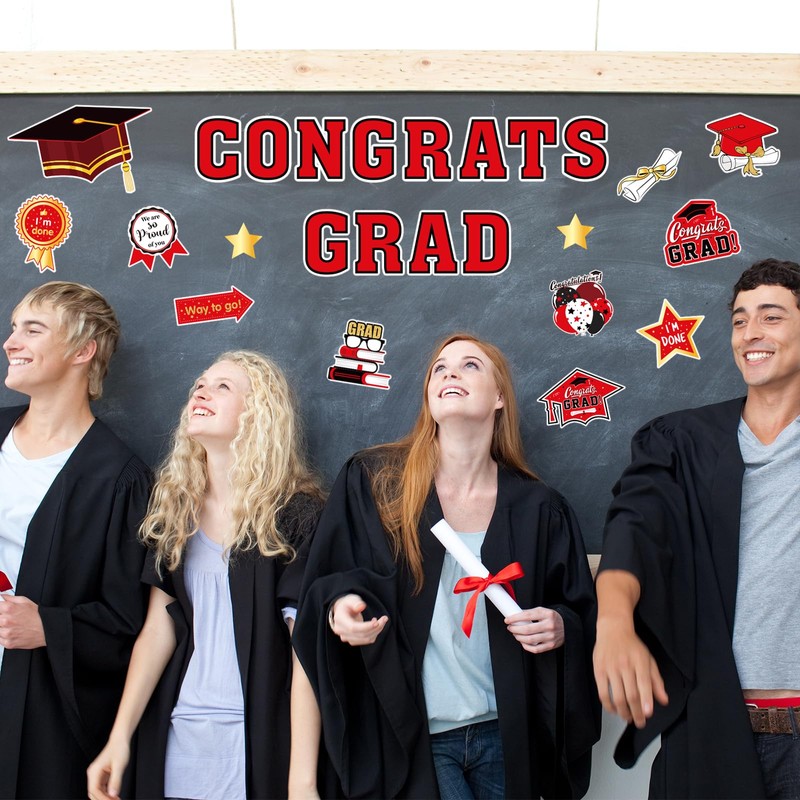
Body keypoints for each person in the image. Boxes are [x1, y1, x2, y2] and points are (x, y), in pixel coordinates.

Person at [292, 333, 599, 800]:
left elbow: (578, 612)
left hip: (506, 737)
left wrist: (560, 626)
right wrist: (340, 609)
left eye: (471, 365)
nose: (451, 372)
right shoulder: (378, 485)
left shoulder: (539, 508)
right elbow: (326, 585)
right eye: (440, 367)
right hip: (415, 739)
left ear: (499, 397)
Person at [594, 258, 800, 799]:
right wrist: (613, 622)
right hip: (714, 729)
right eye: (740, 320)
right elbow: (634, 527)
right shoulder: (681, 442)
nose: (750, 333)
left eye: (771, 316)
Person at [87, 350, 324, 800]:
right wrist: (119, 739)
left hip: (258, 747)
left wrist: (302, 780)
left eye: (223, 387)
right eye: (200, 384)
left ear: (259, 413)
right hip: (178, 742)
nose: (201, 391)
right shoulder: (176, 513)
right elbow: (157, 631)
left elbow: (306, 654)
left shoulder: (295, 516)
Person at [0, 281, 151, 799]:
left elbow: (128, 621)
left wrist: (49, 627)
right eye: (14, 328)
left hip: (33, 716)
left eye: (32, 329)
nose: (11, 342)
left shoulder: (118, 478)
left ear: (82, 351)